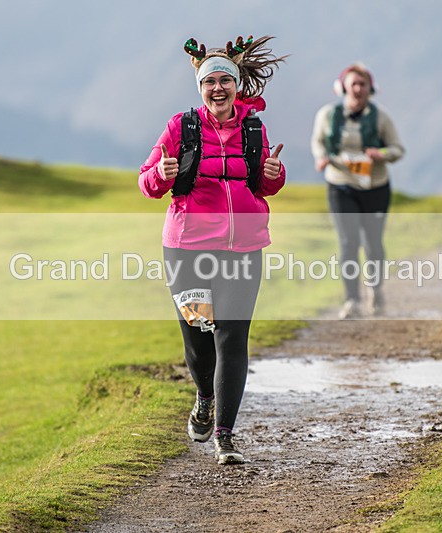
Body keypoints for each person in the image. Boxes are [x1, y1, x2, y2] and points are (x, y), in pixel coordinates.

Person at [139, 35, 286, 465]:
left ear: (237, 85)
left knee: (233, 337)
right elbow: (146, 183)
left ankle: (225, 435)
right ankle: (204, 397)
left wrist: (275, 174)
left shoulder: (254, 129)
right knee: (199, 336)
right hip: (187, 250)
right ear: (200, 88)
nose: (218, 89)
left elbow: (265, 185)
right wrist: (162, 174)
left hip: (243, 248)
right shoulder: (180, 128)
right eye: (210, 82)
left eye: (225, 80)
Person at [311, 63, 405, 319]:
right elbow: (318, 142)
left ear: (370, 89)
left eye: (362, 84)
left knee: (373, 243)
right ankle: (352, 299)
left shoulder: (381, 117)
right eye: (353, 83)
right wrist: (321, 157)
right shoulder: (328, 115)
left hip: (375, 186)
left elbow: (397, 149)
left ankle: (375, 289)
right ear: (343, 87)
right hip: (341, 184)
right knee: (348, 241)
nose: (358, 89)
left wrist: (381, 154)